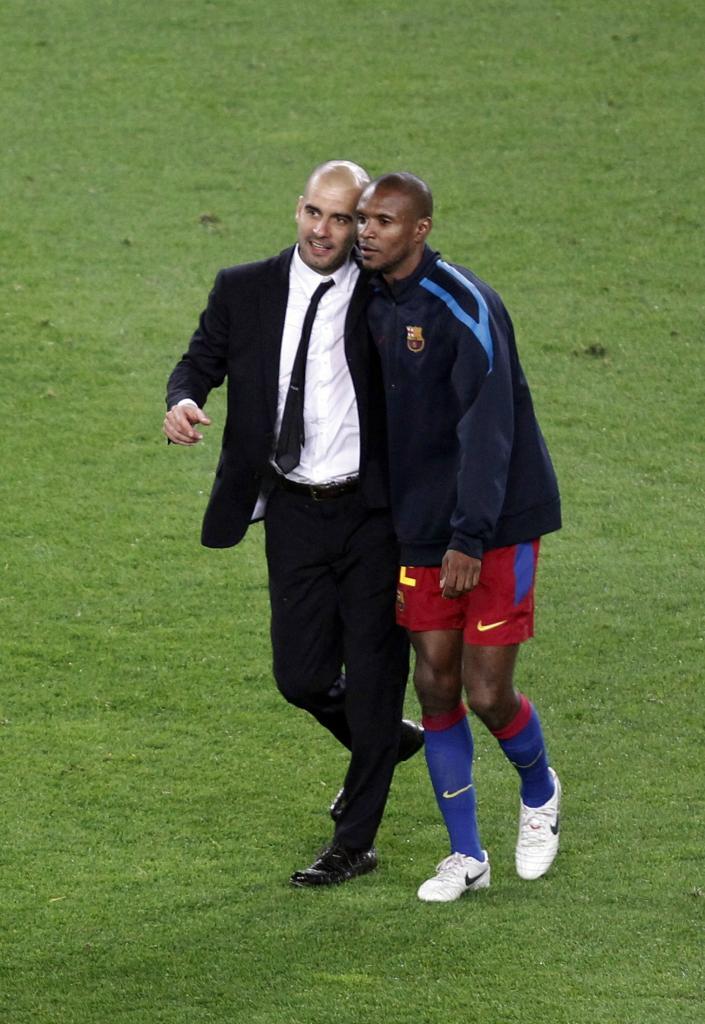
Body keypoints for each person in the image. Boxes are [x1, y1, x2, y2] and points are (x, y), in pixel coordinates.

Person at [164, 161, 421, 888]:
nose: (324, 230)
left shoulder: (387, 296)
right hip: (291, 509)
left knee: (374, 678)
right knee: (300, 676)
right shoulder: (243, 287)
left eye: (343, 219)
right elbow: (199, 361)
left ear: (360, 226)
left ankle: (354, 842)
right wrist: (181, 400)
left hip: (374, 516)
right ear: (297, 209)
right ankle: (385, 743)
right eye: (315, 212)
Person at [356, 172, 562, 902]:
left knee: (483, 690)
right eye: (362, 220)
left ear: (420, 230)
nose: (365, 232)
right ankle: (465, 855)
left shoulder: (464, 306)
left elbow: (489, 429)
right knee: (433, 681)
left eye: (383, 221)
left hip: (494, 524)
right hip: (420, 526)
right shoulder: (371, 295)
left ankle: (538, 790)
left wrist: (470, 538)